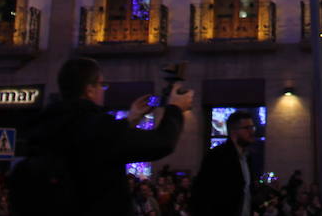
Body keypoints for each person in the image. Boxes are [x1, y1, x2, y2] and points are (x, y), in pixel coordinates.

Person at [12, 56, 192, 216]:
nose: (103, 90)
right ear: (89, 89)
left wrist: (129, 120)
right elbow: (162, 143)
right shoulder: (98, 127)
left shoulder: (45, 126)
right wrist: (175, 110)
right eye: (101, 84)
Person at [192, 110, 259, 216]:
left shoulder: (247, 158)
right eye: (247, 128)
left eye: (252, 127)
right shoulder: (217, 156)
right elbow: (202, 194)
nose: (252, 131)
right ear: (233, 131)